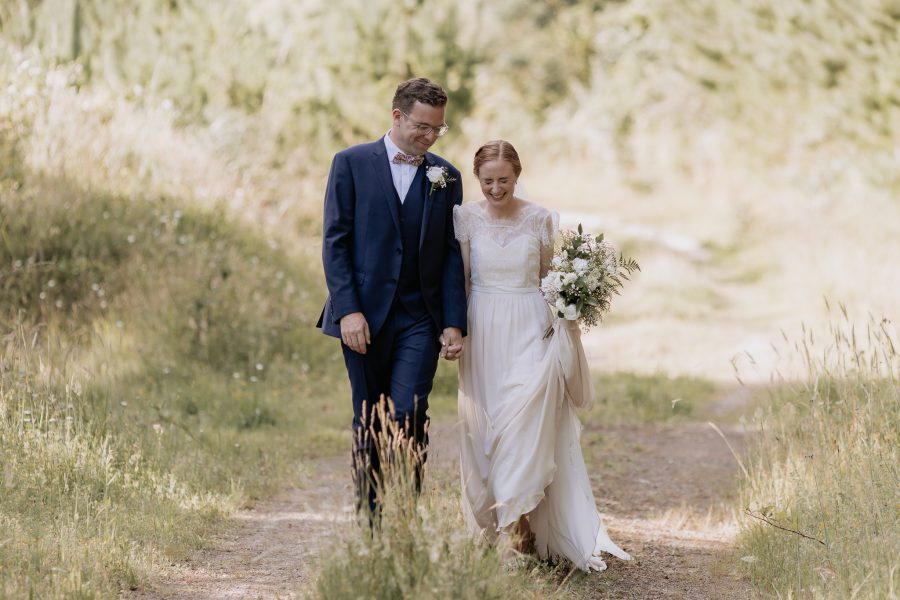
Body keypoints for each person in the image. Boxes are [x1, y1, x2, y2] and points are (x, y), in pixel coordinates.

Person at [453, 140, 631, 571]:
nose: (496, 189)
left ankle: (517, 528)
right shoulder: (464, 218)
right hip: (483, 331)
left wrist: (571, 305)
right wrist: (454, 330)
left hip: (531, 328)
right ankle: (508, 524)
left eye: (505, 180)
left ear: (518, 175)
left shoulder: (541, 219)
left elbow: (549, 279)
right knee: (487, 432)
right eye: (488, 181)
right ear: (478, 179)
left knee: (525, 423)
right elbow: (461, 281)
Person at [317, 78, 467, 517]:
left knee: (410, 411)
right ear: (397, 116)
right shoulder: (350, 163)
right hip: (362, 316)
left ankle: (405, 510)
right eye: (422, 127)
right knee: (369, 417)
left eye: (437, 129)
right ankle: (371, 518)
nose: (429, 137)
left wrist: (453, 322)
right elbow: (336, 241)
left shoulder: (447, 176)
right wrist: (348, 311)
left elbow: (450, 256)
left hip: (420, 318)